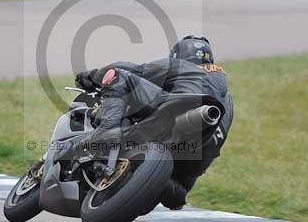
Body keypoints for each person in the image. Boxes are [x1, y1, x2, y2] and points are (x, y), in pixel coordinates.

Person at [75, 35, 233, 210]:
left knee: (118, 76)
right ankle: (167, 188)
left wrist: (89, 77)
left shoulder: (181, 66)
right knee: (176, 194)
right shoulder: (227, 99)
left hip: (174, 111)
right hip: (197, 152)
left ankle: (107, 130)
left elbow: (133, 70)